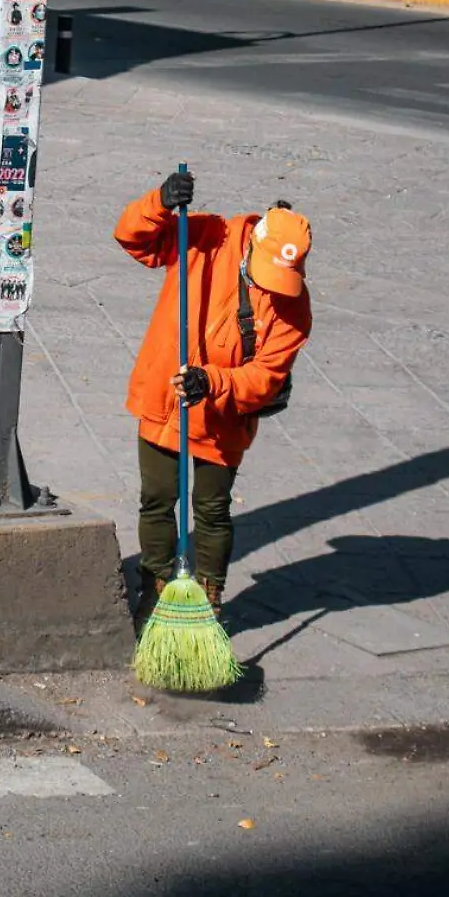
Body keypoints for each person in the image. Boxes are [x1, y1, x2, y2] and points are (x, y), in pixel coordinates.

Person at [114, 170, 313, 620]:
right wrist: (160, 202)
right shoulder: (209, 236)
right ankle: (155, 585)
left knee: (212, 509)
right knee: (158, 497)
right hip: (166, 397)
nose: (270, 288)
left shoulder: (294, 309)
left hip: (224, 415)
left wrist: (215, 383)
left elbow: (266, 377)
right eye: (264, 275)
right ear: (251, 246)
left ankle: (209, 595)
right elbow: (134, 240)